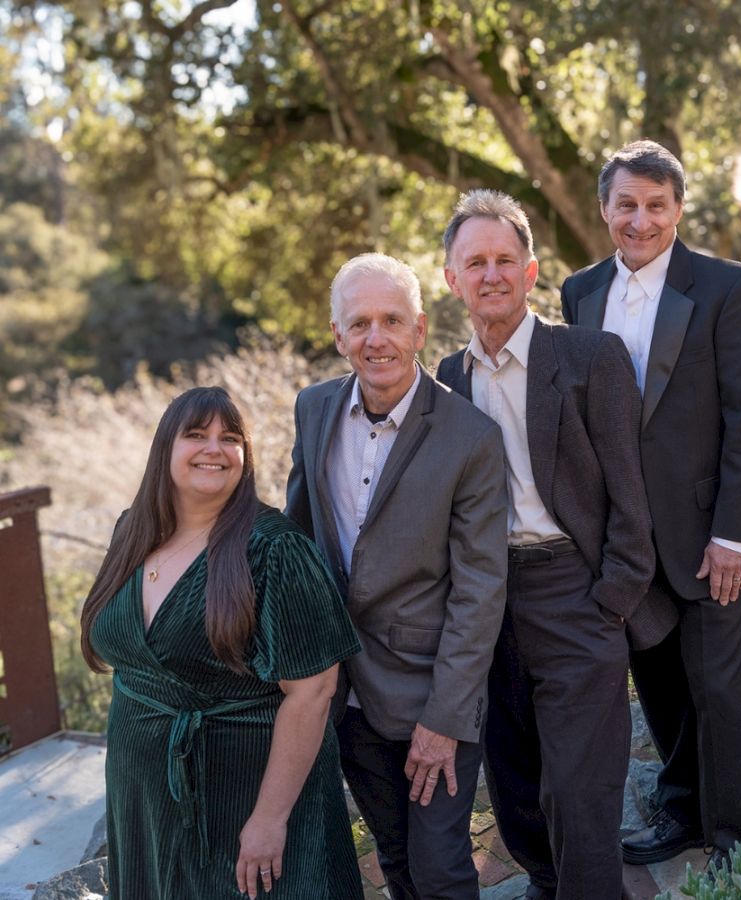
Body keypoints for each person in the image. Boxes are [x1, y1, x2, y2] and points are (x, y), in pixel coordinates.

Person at [561, 140, 741, 871]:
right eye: (626, 205)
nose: (641, 220)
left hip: (708, 530)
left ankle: (733, 835)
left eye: (656, 205)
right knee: (657, 683)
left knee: (719, 685)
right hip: (622, 536)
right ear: (605, 210)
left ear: (679, 209)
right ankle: (683, 813)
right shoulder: (579, 293)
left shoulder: (727, 290)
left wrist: (735, 536)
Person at [437, 189, 655, 899]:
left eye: (505, 259)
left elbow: (630, 491)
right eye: (476, 262)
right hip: (486, 602)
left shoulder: (591, 357)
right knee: (513, 776)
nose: (492, 274)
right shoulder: (443, 381)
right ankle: (547, 882)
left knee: (581, 786)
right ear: (452, 279)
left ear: (530, 271)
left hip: (574, 592)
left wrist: (613, 598)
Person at [79, 386, 364, 899]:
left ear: (244, 457)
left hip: (241, 795)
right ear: (165, 447)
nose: (214, 448)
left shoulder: (274, 550)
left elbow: (313, 692)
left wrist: (268, 820)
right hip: (142, 796)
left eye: (229, 438)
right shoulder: (132, 531)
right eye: (196, 435)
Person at [286, 253, 509, 898]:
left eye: (391, 321)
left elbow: (479, 589)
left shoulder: (471, 438)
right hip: (343, 688)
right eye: (359, 324)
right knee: (395, 859)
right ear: (337, 335)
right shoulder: (313, 409)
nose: (375, 338)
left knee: (440, 869)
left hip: (428, 692)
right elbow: (298, 540)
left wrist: (445, 718)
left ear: (419, 328)